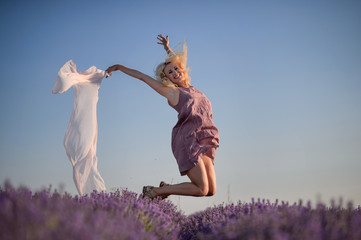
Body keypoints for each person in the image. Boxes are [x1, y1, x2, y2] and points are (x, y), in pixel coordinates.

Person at [105, 34, 219, 198]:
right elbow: (143, 77)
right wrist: (118, 67)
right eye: (170, 72)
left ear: (181, 69)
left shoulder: (193, 89)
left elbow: (176, 61)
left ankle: (165, 187)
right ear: (167, 78)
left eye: (175, 69)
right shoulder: (172, 92)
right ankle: (155, 191)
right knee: (201, 189)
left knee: (211, 191)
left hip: (204, 138)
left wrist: (167, 47)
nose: (174, 72)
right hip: (188, 140)